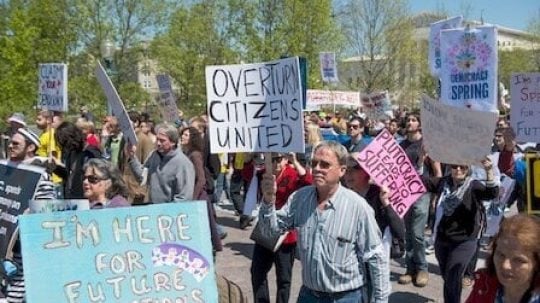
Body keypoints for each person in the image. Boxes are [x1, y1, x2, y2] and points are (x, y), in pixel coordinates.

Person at [259, 141, 389, 303]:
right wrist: (268, 201)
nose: (317, 168)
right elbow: (269, 232)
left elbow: (376, 258)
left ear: (342, 170)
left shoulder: (358, 207)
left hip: (346, 297)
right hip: (309, 295)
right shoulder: (299, 199)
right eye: (314, 163)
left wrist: (380, 300)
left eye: (325, 164)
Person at [427, 159, 498, 303]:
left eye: (463, 167)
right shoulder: (443, 183)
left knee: (453, 275)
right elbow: (421, 182)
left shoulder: (473, 185)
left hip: (465, 241)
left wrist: (489, 171)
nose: (458, 169)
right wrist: (421, 160)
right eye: (454, 166)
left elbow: (491, 193)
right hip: (442, 239)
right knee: (448, 277)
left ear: (468, 169)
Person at [3, 127, 56, 303]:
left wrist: (30, 213)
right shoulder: (5, 172)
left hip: (21, 251)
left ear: (30, 147)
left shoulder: (39, 178)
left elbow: (47, 213)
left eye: (16, 143)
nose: (11, 146)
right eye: (10, 142)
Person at [251, 152, 312, 303]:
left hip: (285, 233)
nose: (277, 163)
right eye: (273, 159)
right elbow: (246, 175)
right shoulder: (263, 175)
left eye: (280, 159)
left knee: (284, 277)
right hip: (266, 228)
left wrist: (296, 162)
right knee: (257, 271)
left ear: (285, 160)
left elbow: (309, 182)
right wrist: (248, 159)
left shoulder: (292, 174)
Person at [398, 113, 442, 288]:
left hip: (422, 193)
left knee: (417, 232)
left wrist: (436, 196)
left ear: (420, 125)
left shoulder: (427, 144)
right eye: (408, 120)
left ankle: (423, 269)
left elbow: (438, 173)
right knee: (408, 232)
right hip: (404, 193)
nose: (410, 122)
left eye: (414, 120)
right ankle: (410, 269)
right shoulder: (401, 145)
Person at [344, 153, 405, 262]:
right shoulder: (345, 195)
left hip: (374, 259)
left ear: (366, 172)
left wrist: (386, 203)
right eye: (346, 170)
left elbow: (399, 231)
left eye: (353, 170)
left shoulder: (380, 195)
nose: (348, 175)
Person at [466, 214, 540, 303]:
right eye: (501, 255)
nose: (505, 266)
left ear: (537, 263)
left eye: (518, 260)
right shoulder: (484, 287)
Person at [179, 126, 222, 251]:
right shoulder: (187, 152)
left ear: (192, 138)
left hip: (199, 196)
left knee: (206, 228)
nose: (183, 136)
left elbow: (201, 179)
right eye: (183, 134)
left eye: (186, 135)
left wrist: (192, 198)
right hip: (195, 195)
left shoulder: (195, 155)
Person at [128, 122, 194, 203]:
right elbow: (143, 177)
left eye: (162, 141)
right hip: (154, 210)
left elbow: (184, 197)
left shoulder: (183, 163)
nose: (158, 143)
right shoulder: (154, 155)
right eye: (157, 139)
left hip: (171, 213)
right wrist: (132, 158)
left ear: (173, 142)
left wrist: (168, 212)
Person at [53, 122, 101, 199]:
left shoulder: (91, 154)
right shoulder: (71, 153)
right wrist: (55, 168)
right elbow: (69, 176)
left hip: (85, 199)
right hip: (71, 198)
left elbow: (95, 180)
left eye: (66, 143)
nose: (65, 148)